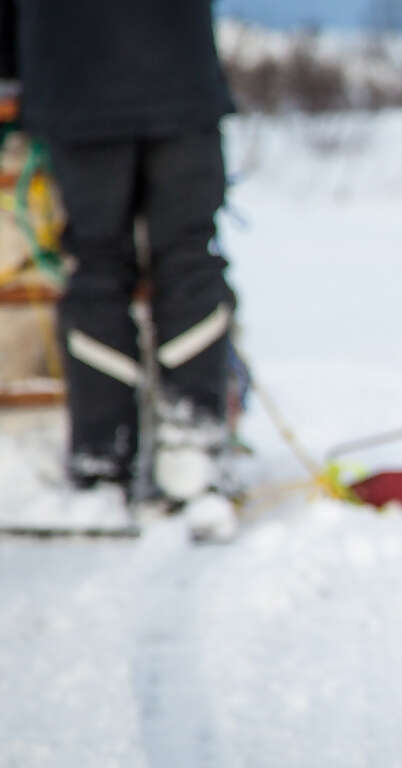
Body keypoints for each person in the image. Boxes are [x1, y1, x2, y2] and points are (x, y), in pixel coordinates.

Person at [2, 0, 240, 540]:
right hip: (181, 75)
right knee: (188, 258)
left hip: (73, 79)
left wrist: (12, 70)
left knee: (96, 265)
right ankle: (192, 443)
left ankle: (101, 455)